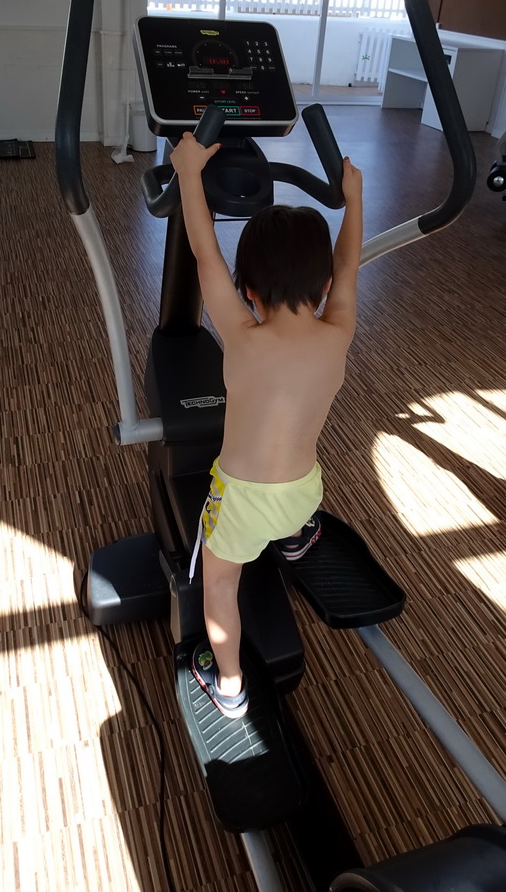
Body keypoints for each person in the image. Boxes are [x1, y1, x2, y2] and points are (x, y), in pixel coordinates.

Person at [169, 131, 363, 719]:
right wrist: (354, 201)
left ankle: (229, 688)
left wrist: (188, 173)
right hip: (305, 490)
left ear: (247, 289)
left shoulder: (243, 337)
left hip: (243, 501)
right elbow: (350, 263)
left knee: (219, 584)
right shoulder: (340, 330)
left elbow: (205, 256)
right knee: (293, 506)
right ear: (325, 286)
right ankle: (299, 537)